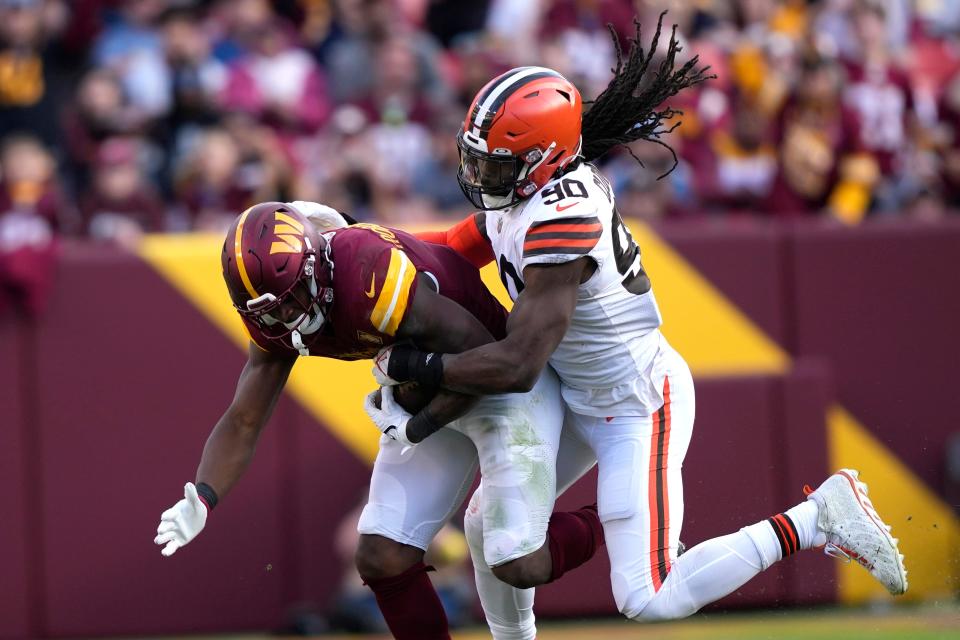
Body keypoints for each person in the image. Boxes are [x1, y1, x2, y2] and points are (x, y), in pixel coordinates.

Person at [369, 15, 908, 636]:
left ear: (542, 160)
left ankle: (816, 518)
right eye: (479, 159)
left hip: (634, 402)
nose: (481, 176)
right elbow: (452, 249)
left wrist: (414, 367)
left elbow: (517, 363)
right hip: (577, 391)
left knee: (648, 595)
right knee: (489, 523)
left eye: (497, 163)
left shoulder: (561, 217)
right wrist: (373, 247)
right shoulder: (524, 195)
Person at [152, 200, 601, 640]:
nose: (283, 319)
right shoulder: (273, 311)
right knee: (381, 555)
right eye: (267, 312)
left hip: (498, 382)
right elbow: (245, 417)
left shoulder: (369, 276)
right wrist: (205, 495)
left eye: (289, 303)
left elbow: (480, 358)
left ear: (316, 267)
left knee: (516, 562)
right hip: (434, 386)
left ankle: (619, 522)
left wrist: (416, 422)